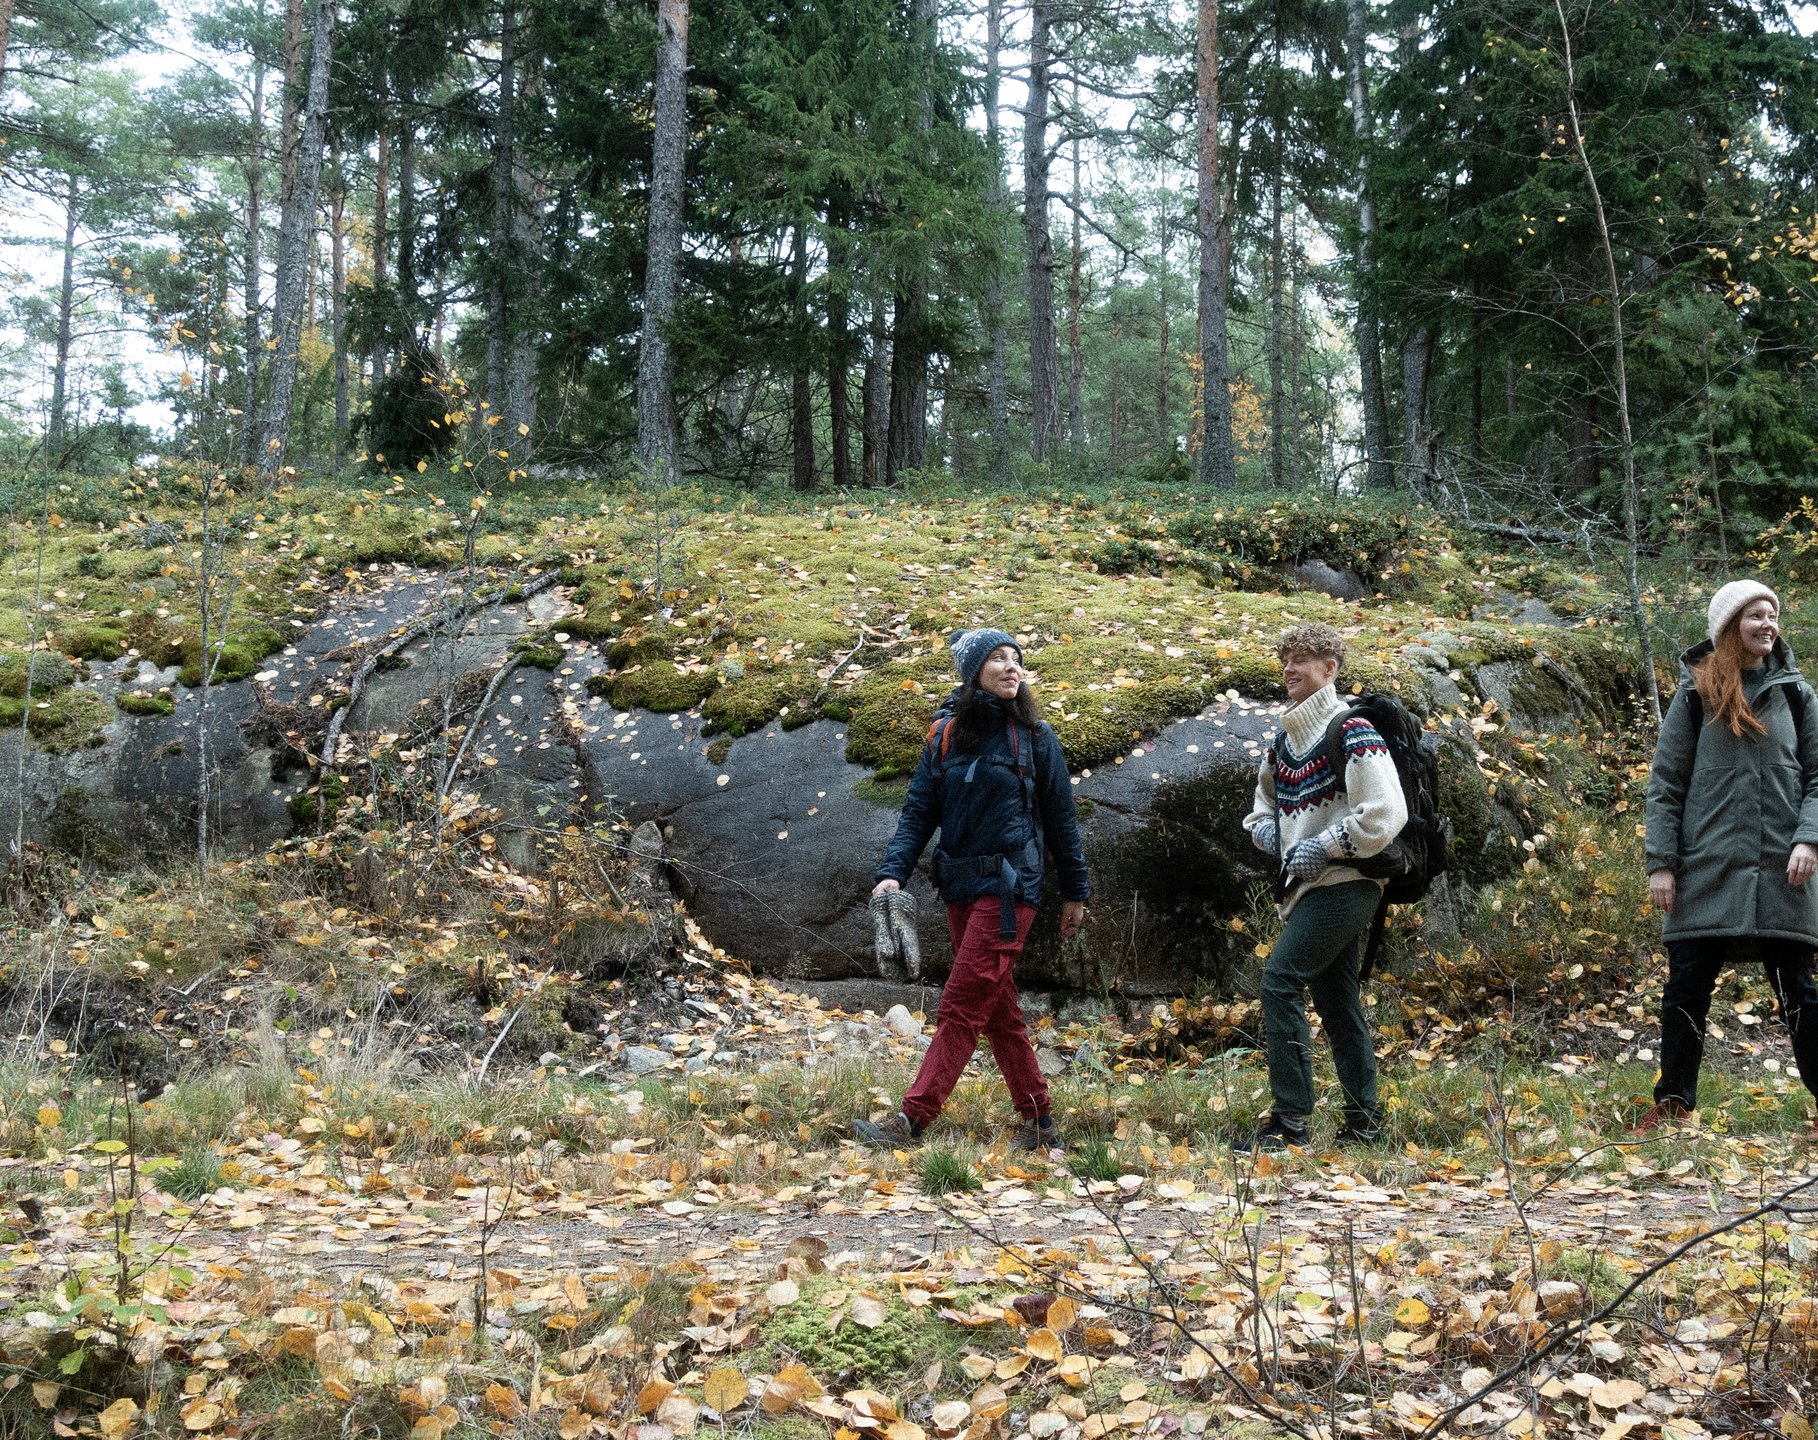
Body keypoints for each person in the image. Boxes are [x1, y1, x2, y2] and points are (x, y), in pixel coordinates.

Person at [854, 627, 1089, 1153]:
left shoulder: (1036, 737)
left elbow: (1062, 821)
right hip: (959, 885)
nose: (1011, 668)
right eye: (997, 659)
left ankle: (911, 1121)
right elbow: (918, 812)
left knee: (960, 1006)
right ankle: (1039, 1121)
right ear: (972, 672)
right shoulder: (945, 736)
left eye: (1016, 659)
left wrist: (1075, 892)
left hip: (1011, 890)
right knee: (998, 1008)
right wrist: (891, 872)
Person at [1640, 580, 1818, 1133]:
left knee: (1801, 994)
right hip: (1706, 869)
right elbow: (1666, 784)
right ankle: (1672, 1103)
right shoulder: (1695, 696)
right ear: (1728, 627)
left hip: (1783, 869)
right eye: (1755, 616)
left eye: (1773, 615)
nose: (1768, 624)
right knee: (1686, 989)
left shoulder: (1797, 695)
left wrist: (1809, 838)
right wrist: (1661, 863)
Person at [1239, 623, 1408, 1151]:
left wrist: (1329, 844)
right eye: (1285, 658)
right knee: (1338, 1005)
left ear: (1330, 669)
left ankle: (1290, 1122)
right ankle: (1365, 1122)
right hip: (1306, 888)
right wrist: (1267, 829)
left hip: (1348, 882)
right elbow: (1261, 805)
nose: (1289, 668)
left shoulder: (1352, 730)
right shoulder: (1285, 741)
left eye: (1303, 659)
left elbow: (1386, 812)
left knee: (1279, 982)